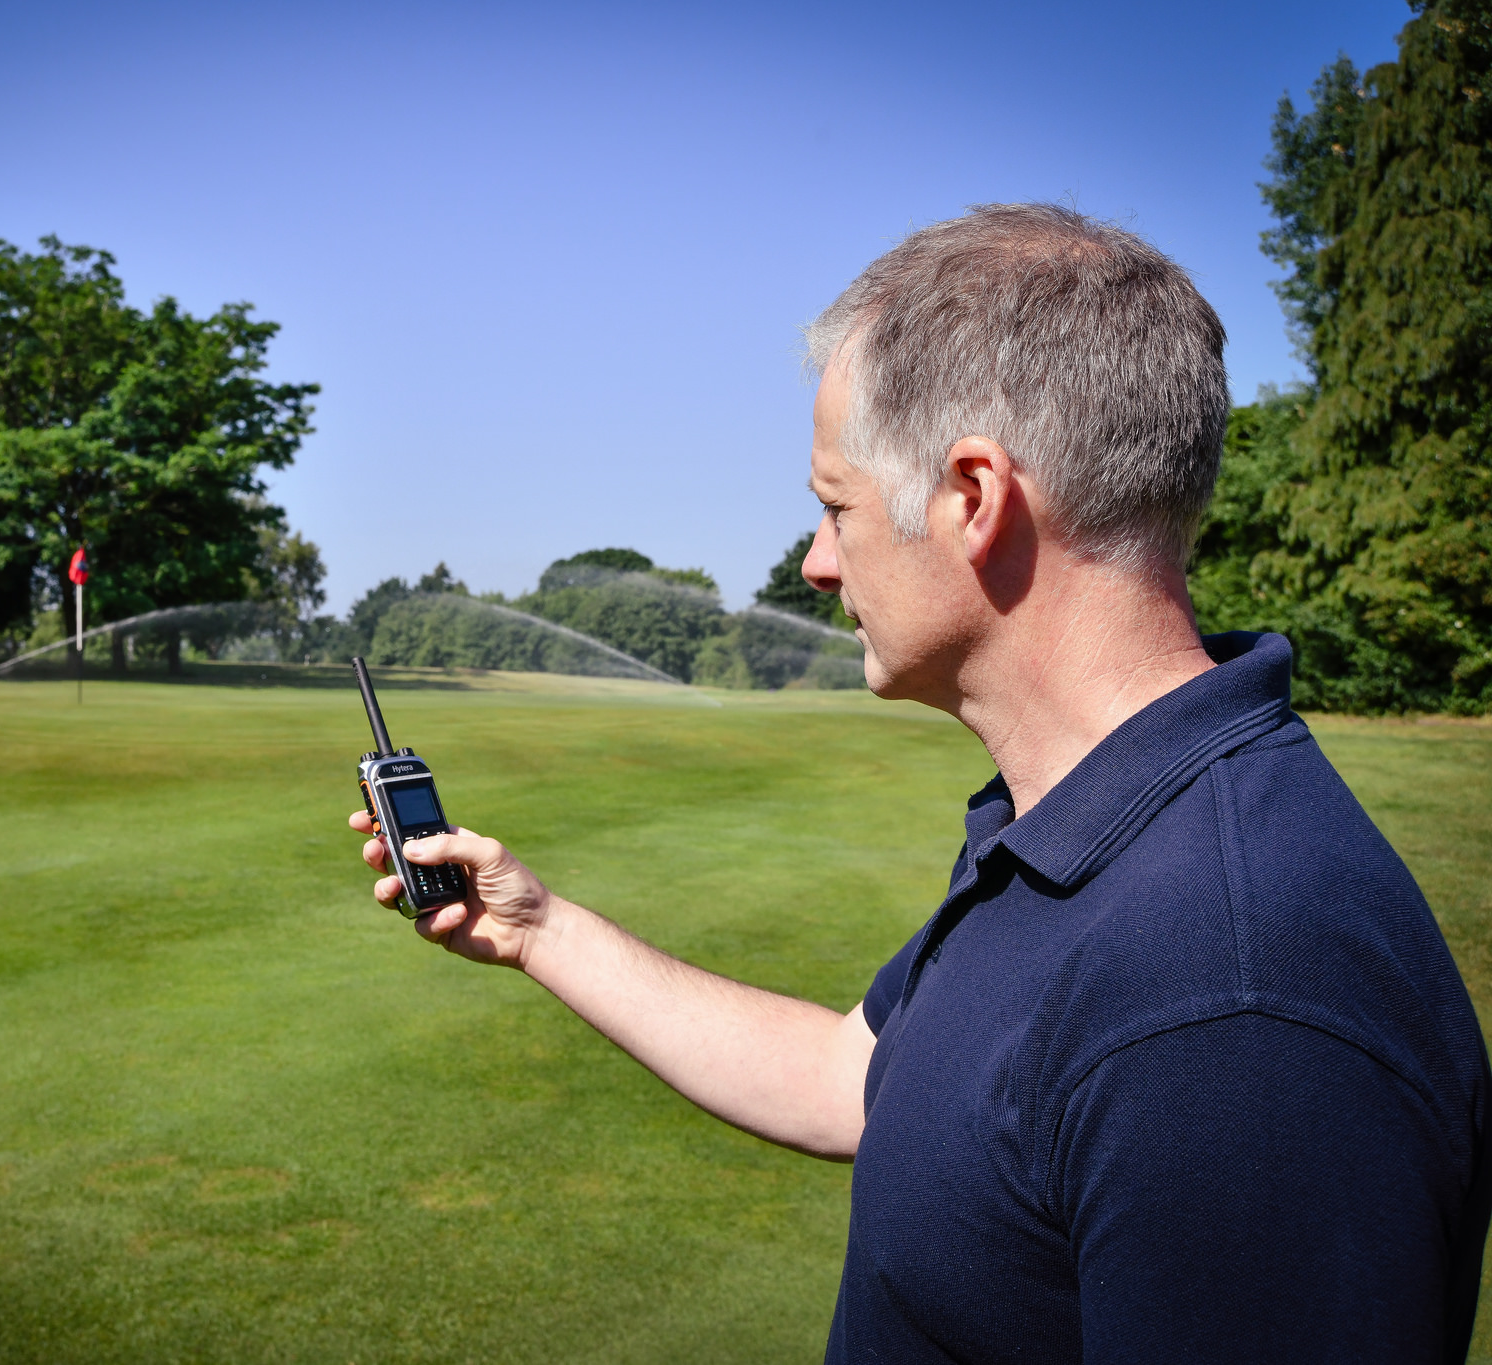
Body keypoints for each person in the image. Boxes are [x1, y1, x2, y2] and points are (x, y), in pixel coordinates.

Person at [346, 204, 1491, 1363]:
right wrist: (539, 930)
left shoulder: (1229, 1012)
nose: (815, 562)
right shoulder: (1076, 822)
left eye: (834, 505)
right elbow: (856, 1076)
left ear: (973, 498)